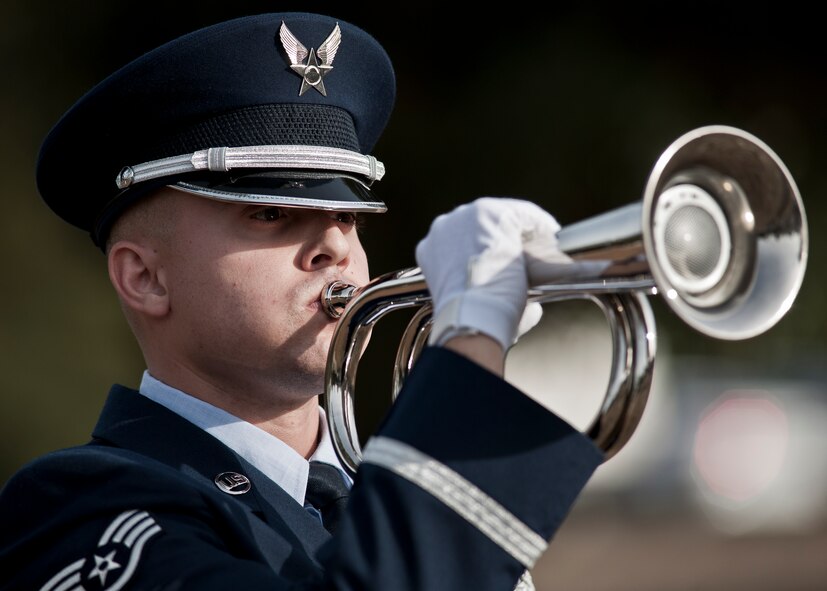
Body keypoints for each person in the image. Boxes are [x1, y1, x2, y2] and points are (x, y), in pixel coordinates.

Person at [0, 12, 603, 590]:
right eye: (271, 214)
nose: (335, 244)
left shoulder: (390, 491)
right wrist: (469, 354)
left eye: (347, 213)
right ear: (144, 278)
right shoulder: (79, 509)